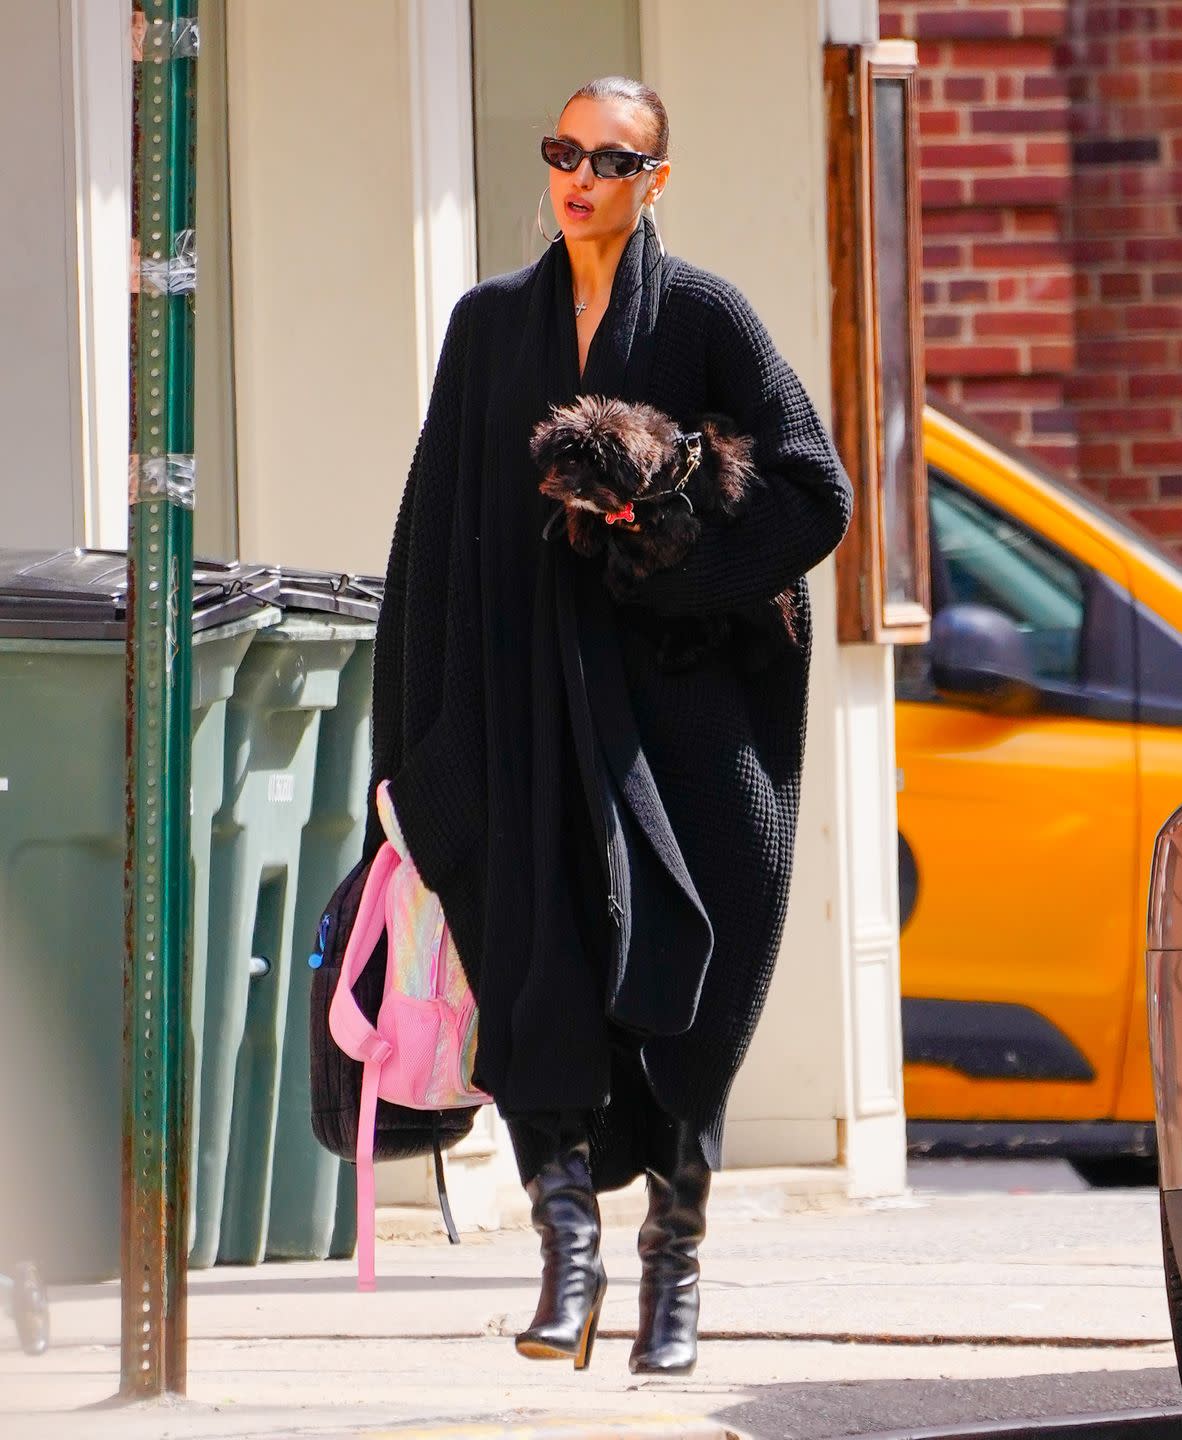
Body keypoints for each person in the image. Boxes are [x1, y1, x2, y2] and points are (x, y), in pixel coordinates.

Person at [364, 75, 852, 1376]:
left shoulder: (701, 318)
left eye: (610, 158)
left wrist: (667, 571)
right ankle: (565, 1244)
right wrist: (400, 750)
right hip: (520, 719)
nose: (578, 175)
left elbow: (814, 494)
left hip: (681, 729)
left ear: (653, 181)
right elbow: (425, 541)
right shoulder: (484, 331)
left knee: (689, 998)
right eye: (561, 150)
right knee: (533, 963)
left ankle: (672, 1260)